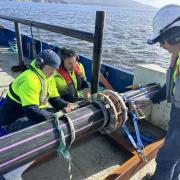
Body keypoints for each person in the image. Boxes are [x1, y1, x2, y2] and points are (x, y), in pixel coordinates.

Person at [140, 4, 180, 180]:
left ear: (174, 35)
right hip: (177, 112)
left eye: (162, 41)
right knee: (174, 156)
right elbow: (172, 85)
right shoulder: (178, 55)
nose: (161, 46)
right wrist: (151, 100)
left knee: (165, 158)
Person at [0, 49, 74, 133]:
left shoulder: (49, 77)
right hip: (13, 121)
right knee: (49, 127)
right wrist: (53, 116)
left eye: (55, 70)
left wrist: (67, 105)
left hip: (33, 113)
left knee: (61, 117)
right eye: (51, 69)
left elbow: (55, 100)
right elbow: (31, 111)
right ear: (40, 64)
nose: (53, 73)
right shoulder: (30, 79)